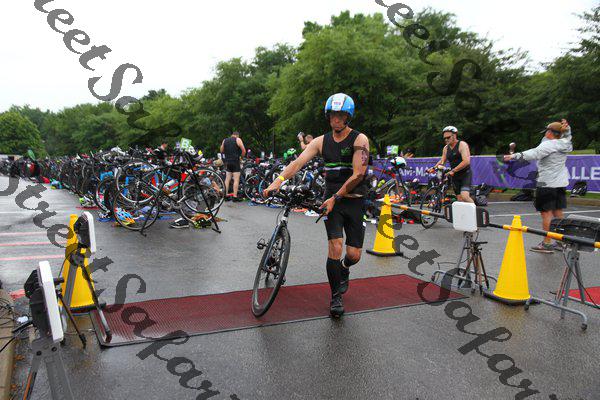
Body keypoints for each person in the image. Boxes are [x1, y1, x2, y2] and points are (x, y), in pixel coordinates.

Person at [264, 93, 369, 318]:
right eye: (332, 114)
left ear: (348, 117)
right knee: (335, 247)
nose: (336, 119)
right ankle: (335, 297)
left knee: (354, 255)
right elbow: (297, 163)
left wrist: (336, 197)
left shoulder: (360, 140)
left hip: (354, 201)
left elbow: (358, 174)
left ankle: (344, 269)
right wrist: (277, 181)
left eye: (340, 115)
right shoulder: (320, 141)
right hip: (331, 204)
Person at [504, 120, 572, 253]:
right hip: (560, 183)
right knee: (558, 213)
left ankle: (547, 243)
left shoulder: (548, 145)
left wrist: (513, 156)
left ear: (550, 132)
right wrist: (567, 129)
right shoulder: (565, 142)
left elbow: (534, 153)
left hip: (546, 183)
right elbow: (568, 136)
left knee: (546, 214)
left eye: (547, 131)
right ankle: (560, 242)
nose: (545, 134)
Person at [429, 126, 474, 203]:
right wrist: (433, 168)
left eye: (448, 137)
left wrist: (453, 170)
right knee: (460, 199)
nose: (446, 139)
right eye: (444, 138)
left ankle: (474, 210)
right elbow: (442, 161)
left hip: (465, 174)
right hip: (455, 176)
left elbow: (466, 161)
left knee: (465, 196)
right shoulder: (446, 148)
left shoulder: (462, 145)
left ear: (454, 135)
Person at [220, 131, 246, 202]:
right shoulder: (238, 139)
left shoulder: (225, 140)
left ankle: (225, 195)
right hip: (235, 161)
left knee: (227, 179)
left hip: (227, 162)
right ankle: (235, 196)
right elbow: (244, 150)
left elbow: (221, 150)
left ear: (232, 135)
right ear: (237, 135)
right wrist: (241, 158)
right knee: (236, 179)